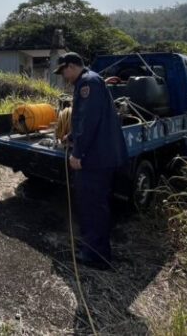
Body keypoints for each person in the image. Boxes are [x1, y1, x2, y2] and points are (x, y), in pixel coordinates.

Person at [54, 52, 127, 270]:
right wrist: (71, 137)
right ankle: (91, 248)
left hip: (95, 158)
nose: (64, 76)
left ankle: (98, 256)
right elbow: (83, 121)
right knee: (91, 205)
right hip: (98, 155)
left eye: (63, 71)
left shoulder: (88, 82)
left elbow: (88, 121)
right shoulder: (90, 80)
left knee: (93, 206)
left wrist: (78, 154)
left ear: (71, 66)